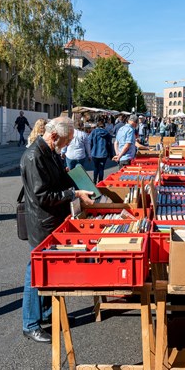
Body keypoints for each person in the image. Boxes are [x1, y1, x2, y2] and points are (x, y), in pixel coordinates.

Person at [20, 117, 94, 343]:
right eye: (65, 140)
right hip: (41, 222)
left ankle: (47, 315)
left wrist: (80, 184)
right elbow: (43, 196)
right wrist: (73, 194)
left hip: (52, 220)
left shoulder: (50, 152)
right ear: (53, 136)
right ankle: (30, 324)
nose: (67, 145)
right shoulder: (34, 156)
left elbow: (61, 180)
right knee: (36, 271)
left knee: (49, 270)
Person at [89, 118, 113, 183]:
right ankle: (100, 181)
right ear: (104, 125)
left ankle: (94, 181)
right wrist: (111, 154)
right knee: (101, 168)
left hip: (95, 153)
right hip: (103, 153)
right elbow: (109, 144)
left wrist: (90, 151)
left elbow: (89, 142)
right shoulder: (107, 133)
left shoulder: (93, 132)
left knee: (96, 167)